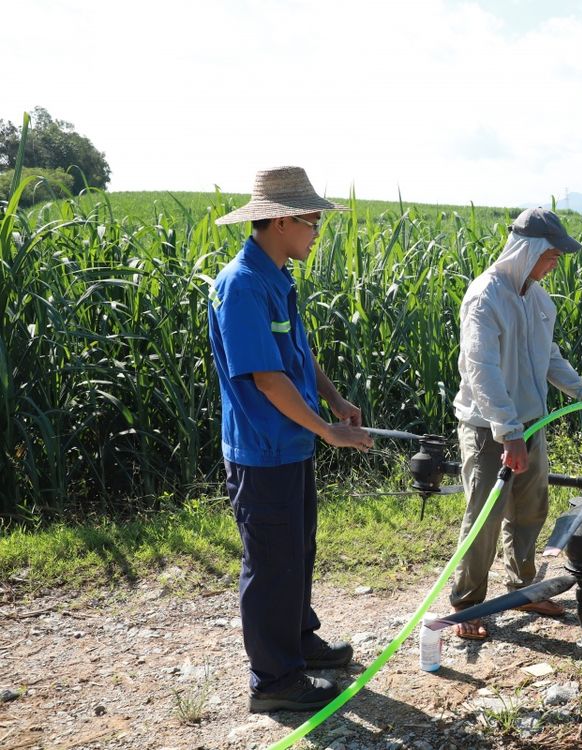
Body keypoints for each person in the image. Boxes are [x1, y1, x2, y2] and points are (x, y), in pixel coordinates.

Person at [209, 166, 374, 712]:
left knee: (297, 551)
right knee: (271, 561)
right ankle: (275, 681)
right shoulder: (242, 286)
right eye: (312, 221)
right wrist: (327, 430)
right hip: (264, 450)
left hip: (293, 444)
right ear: (280, 221)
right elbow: (267, 377)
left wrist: (333, 402)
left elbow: (298, 359)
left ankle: (299, 642)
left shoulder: (277, 279)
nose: (317, 233)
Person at [449, 207, 582, 640]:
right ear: (529, 249)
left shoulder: (538, 299)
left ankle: (523, 587)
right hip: (490, 428)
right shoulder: (485, 297)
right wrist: (508, 432)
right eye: (552, 254)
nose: (555, 262)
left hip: (531, 423)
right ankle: (467, 604)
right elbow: (481, 368)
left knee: (530, 510)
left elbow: (550, 358)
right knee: (484, 515)